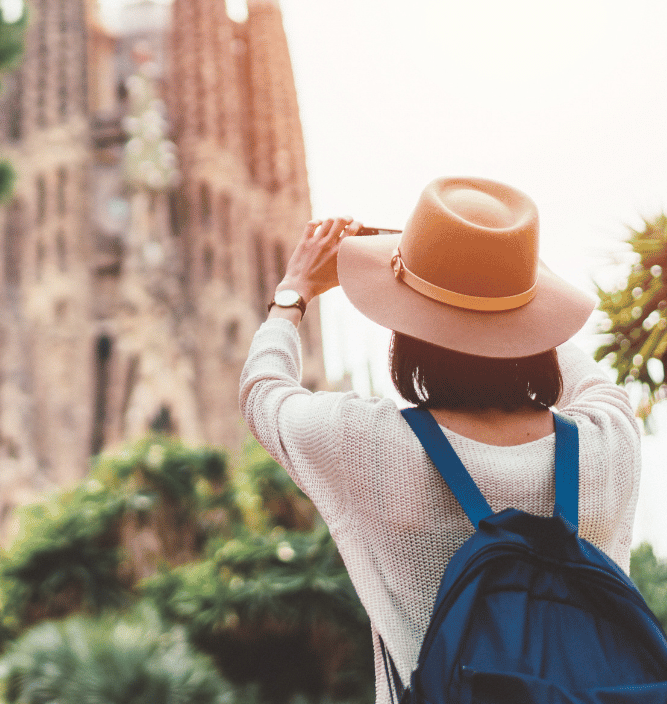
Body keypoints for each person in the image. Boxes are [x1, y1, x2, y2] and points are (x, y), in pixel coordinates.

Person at [239, 176, 639, 703]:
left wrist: (294, 291)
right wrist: (498, 273)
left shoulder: (370, 446)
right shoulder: (610, 438)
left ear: (406, 331)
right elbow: (576, 366)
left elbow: (263, 392)